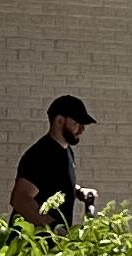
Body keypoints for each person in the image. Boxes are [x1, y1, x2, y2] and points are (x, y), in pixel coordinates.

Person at [10, 93, 99, 226]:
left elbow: (52, 184)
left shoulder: (66, 152)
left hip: (55, 238)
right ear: (59, 121)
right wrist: (54, 228)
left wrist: (79, 192)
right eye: (76, 123)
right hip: (32, 238)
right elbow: (20, 199)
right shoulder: (40, 155)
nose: (81, 130)